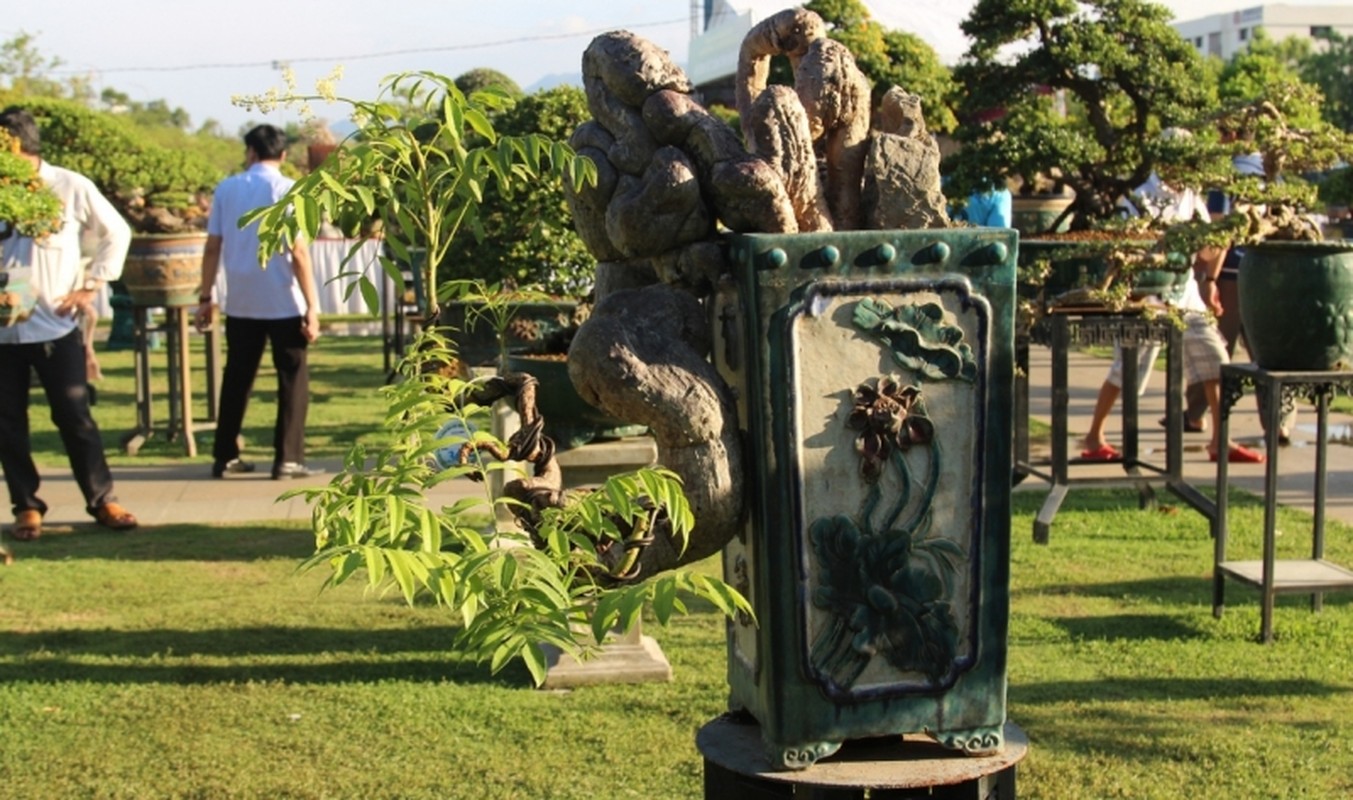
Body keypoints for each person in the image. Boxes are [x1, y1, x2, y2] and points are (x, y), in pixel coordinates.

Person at [0, 107, 138, 540]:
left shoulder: (68, 186)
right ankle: (26, 505)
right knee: (7, 421)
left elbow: (117, 232)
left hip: (54, 324)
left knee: (75, 415)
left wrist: (92, 284)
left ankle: (102, 500)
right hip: (4, 326)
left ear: (17, 145)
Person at [1079, 171, 1265, 465]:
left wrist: (1223, 238)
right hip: (1146, 292)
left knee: (1215, 359)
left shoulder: (1191, 194)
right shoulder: (1138, 195)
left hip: (1184, 290)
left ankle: (1220, 439)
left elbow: (1207, 250)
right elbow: (1124, 246)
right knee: (1127, 369)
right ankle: (1094, 437)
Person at [195, 124, 323, 480]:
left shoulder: (227, 188)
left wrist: (206, 296)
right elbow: (299, 251)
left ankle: (225, 455)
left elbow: (213, 246)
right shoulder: (287, 189)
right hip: (283, 298)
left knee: (237, 379)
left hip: (241, 300)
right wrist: (313, 306)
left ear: (250, 151)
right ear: (282, 155)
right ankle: (288, 457)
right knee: (293, 380)